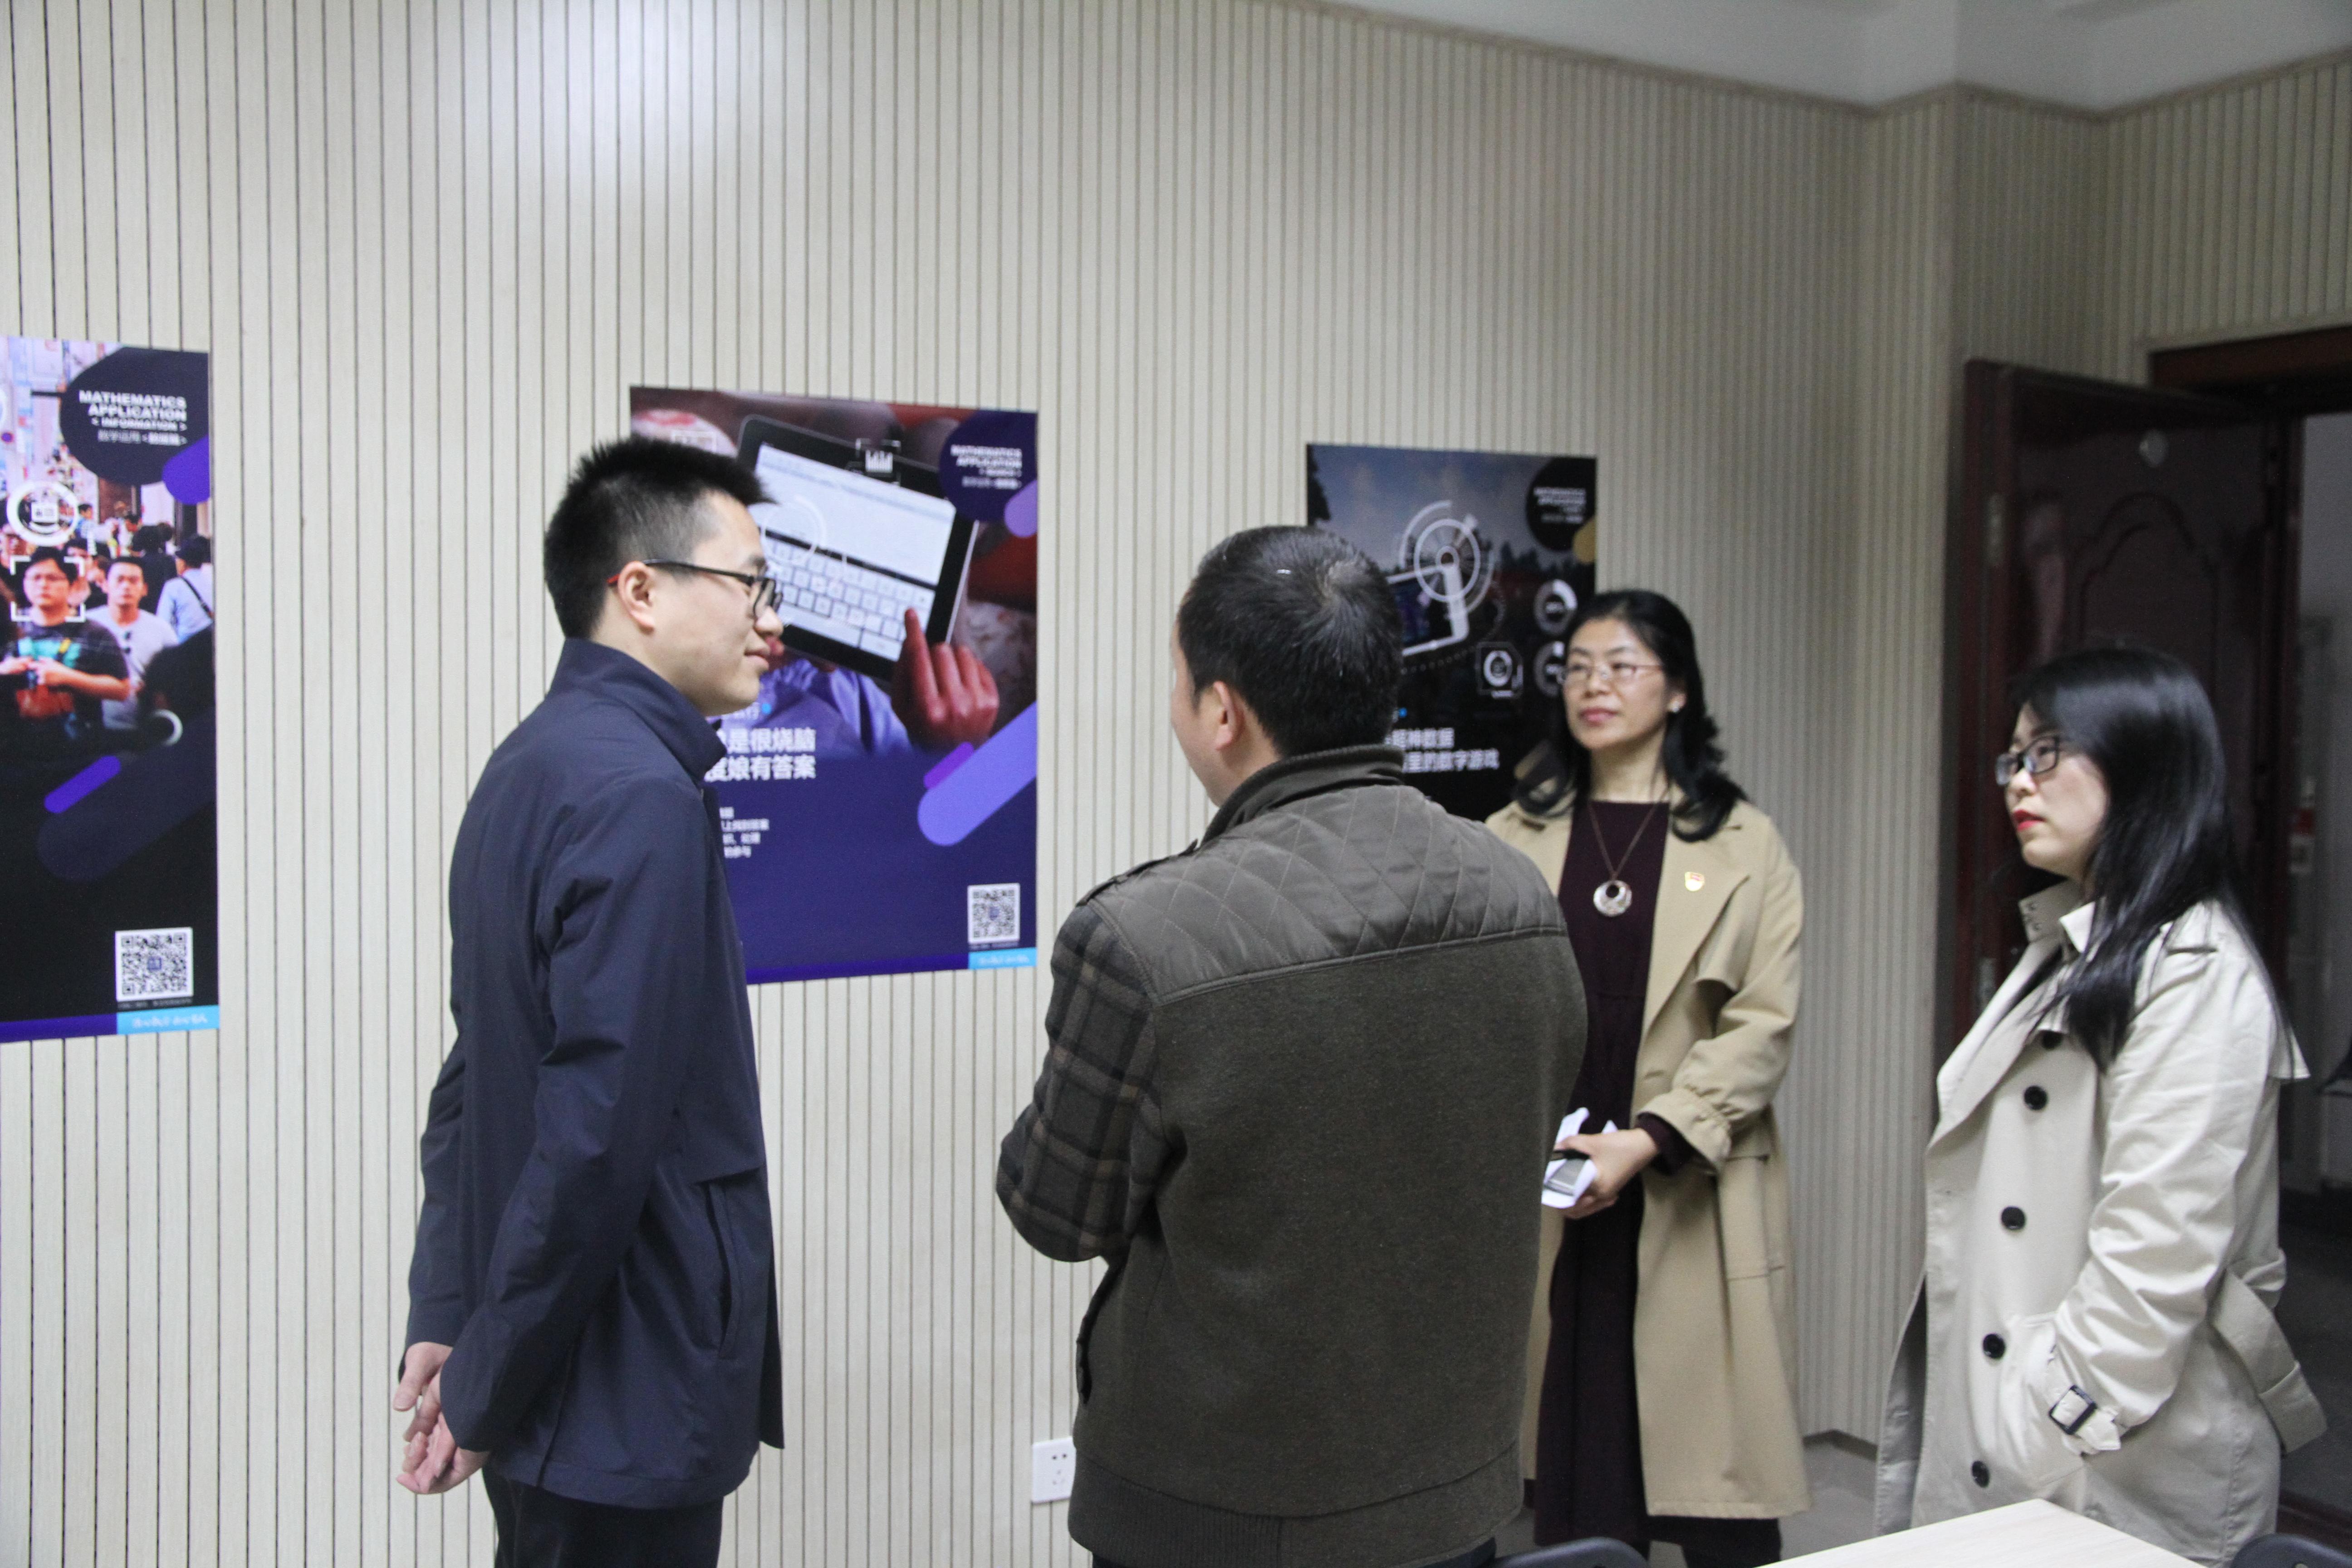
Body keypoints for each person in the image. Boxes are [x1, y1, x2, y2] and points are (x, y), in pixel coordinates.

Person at [998, 525, 1587, 1568]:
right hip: (1454, 1495)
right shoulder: (1520, 894)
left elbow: (1055, 1210)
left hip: (1213, 1512)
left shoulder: (1144, 937)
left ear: (1221, 711)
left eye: (1178, 681)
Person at [395, 436, 787, 1567]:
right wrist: (484, 1371)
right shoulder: (640, 795)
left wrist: (453, 1312)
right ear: (641, 591)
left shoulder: (528, 765)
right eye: (751, 583)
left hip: (544, 1375)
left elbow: (472, 1078)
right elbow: (596, 1135)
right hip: (622, 1382)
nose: (772, 622)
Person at [1874, 645, 2322, 1568]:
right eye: (2013, 757)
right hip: (2025, 1421)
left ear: (2145, 760)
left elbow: (2155, 1256)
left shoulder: (2194, 970)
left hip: (2106, 1449)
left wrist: (2039, 1426)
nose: (2018, 780)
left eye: (2047, 751)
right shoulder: (2075, 939)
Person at [1487, 589, 1808, 1567]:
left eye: (1621, 666)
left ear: (1676, 691)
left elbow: (1762, 1022)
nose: (1594, 686)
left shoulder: (1746, 844)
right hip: (1555, 1180)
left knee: (1712, 1469)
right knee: (1574, 1454)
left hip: (1683, 1177)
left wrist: (1648, 1138)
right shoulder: (1509, 836)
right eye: (1577, 668)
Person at [0, 548, 130, 757]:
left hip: (80, 753)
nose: (43, 585)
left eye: (53, 578)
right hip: (15, 755)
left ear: (71, 585)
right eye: (35, 578)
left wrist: (69, 678)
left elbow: (122, 690)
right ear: (24, 583)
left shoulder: (94, 633)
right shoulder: (8, 628)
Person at [92, 558, 178, 730]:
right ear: (105, 585)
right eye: (120, 580)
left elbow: (177, 677)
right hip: (95, 727)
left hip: (145, 727)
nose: (126, 586)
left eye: (133, 581)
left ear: (144, 589)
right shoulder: (89, 624)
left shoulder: (161, 629)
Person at [156, 534, 214, 639]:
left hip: (185, 644)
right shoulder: (213, 583)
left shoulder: (173, 587)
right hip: (212, 643)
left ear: (183, 563)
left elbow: (163, 622)